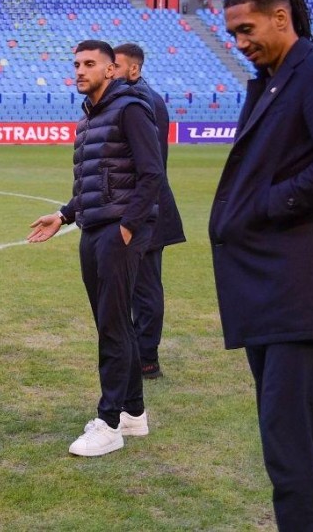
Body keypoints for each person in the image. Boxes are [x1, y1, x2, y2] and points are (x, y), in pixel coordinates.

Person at [210, 0, 313, 530]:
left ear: (282, 18)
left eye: (247, 29)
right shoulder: (272, 80)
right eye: (232, 35)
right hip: (267, 291)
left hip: (296, 291)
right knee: (292, 439)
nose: (240, 42)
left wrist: (268, 204)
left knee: (289, 444)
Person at [27, 40, 164, 457]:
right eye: (76, 64)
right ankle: (134, 414)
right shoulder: (89, 118)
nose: (80, 70)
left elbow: (151, 173)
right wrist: (65, 215)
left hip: (116, 232)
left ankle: (107, 422)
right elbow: (97, 180)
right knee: (114, 322)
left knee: (111, 325)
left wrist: (127, 227)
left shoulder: (130, 109)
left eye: (90, 64)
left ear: (111, 70)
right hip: (92, 228)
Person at [113, 43, 186, 379]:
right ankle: (136, 354)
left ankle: (147, 359)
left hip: (147, 210)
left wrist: (135, 214)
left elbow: (150, 168)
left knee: (145, 287)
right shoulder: (129, 101)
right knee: (133, 287)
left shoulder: (146, 102)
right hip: (137, 208)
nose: (110, 70)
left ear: (135, 69)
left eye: (117, 65)